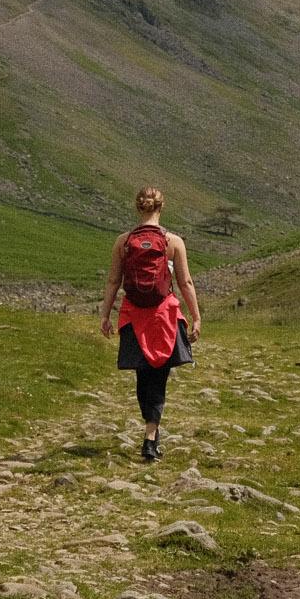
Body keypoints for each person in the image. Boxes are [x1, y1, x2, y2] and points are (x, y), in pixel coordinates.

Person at [100, 186, 201, 462]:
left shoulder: (123, 242)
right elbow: (185, 282)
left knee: (143, 375)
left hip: (133, 315)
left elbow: (113, 282)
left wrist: (105, 315)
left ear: (138, 208)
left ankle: (150, 431)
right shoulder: (173, 242)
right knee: (159, 377)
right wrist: (196, 316)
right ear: (160, 208)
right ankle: (150, 436)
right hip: (163, 316)